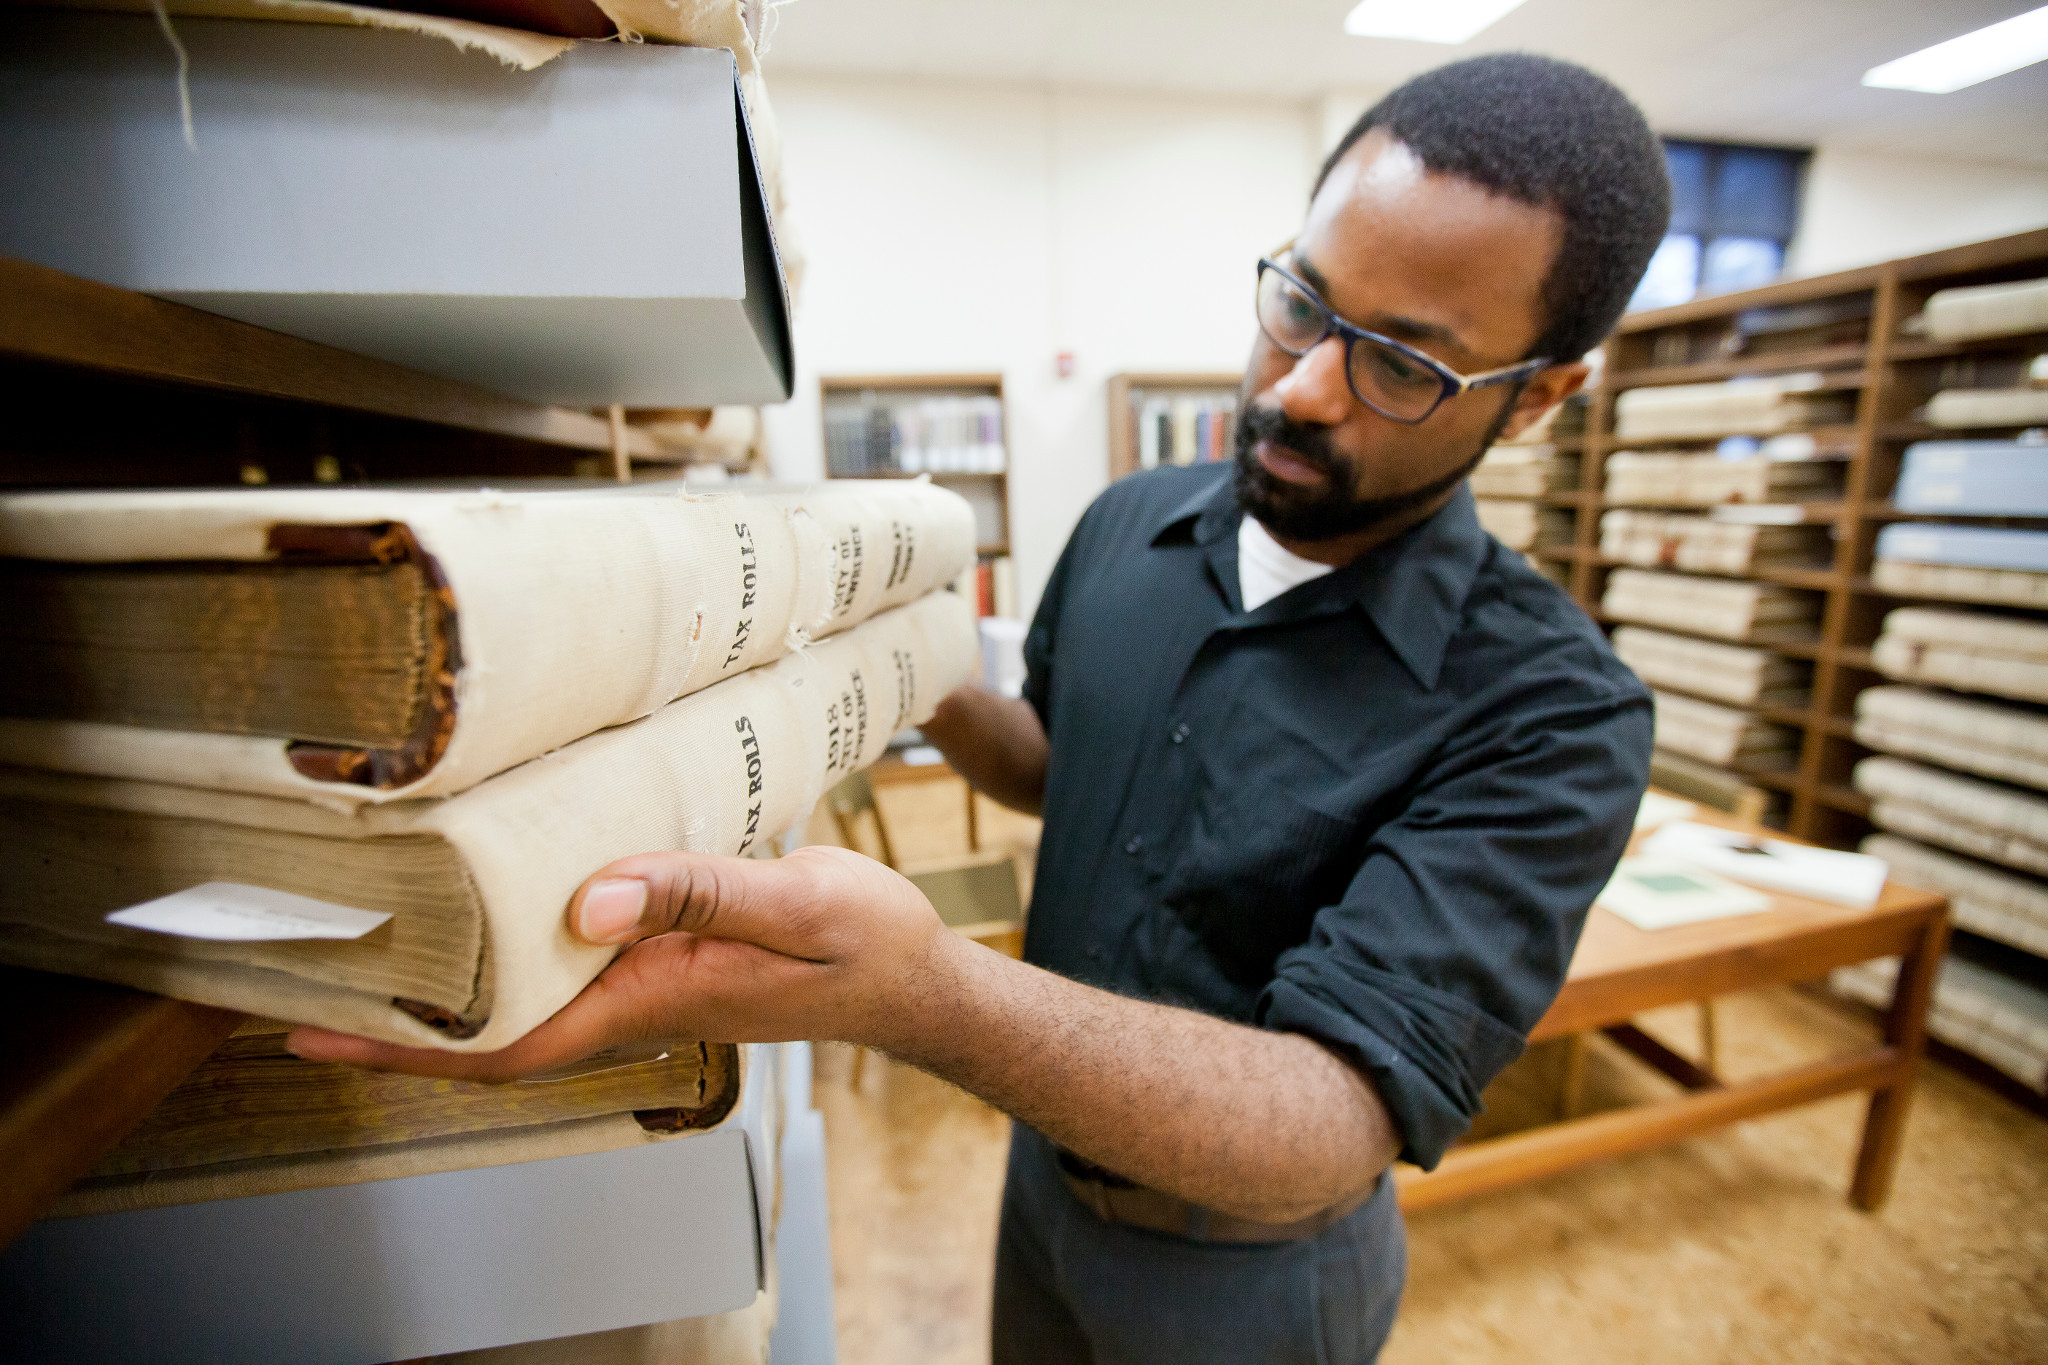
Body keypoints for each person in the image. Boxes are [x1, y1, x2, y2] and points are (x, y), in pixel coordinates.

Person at [292, 52, 1668, 1365]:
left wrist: (921, 995)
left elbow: (1330, 1111)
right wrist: (890, 648)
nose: (1299, 385)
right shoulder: (1134, 524)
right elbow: (1051, 764)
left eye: (1404, 363)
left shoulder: (1552, 712)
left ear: (1542, 395)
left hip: (1247, 1282)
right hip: (1041, 1193)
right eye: (1301, 302)